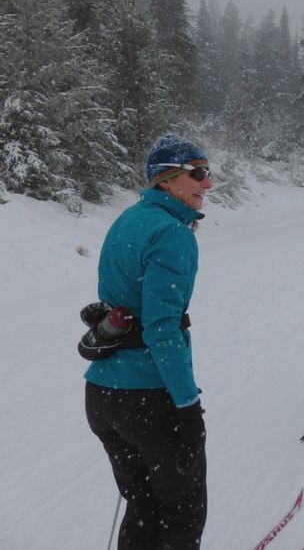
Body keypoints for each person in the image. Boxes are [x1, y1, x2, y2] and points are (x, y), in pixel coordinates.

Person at [83, 134, 213, 549]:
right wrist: (188, 406)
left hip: (104, 395)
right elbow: (162, 329)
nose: (207, 184)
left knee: (142, 507)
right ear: (166, 181)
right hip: (148, 398)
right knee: (182, 511)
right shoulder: (172, 233)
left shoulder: (129, 219)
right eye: (197, 174)